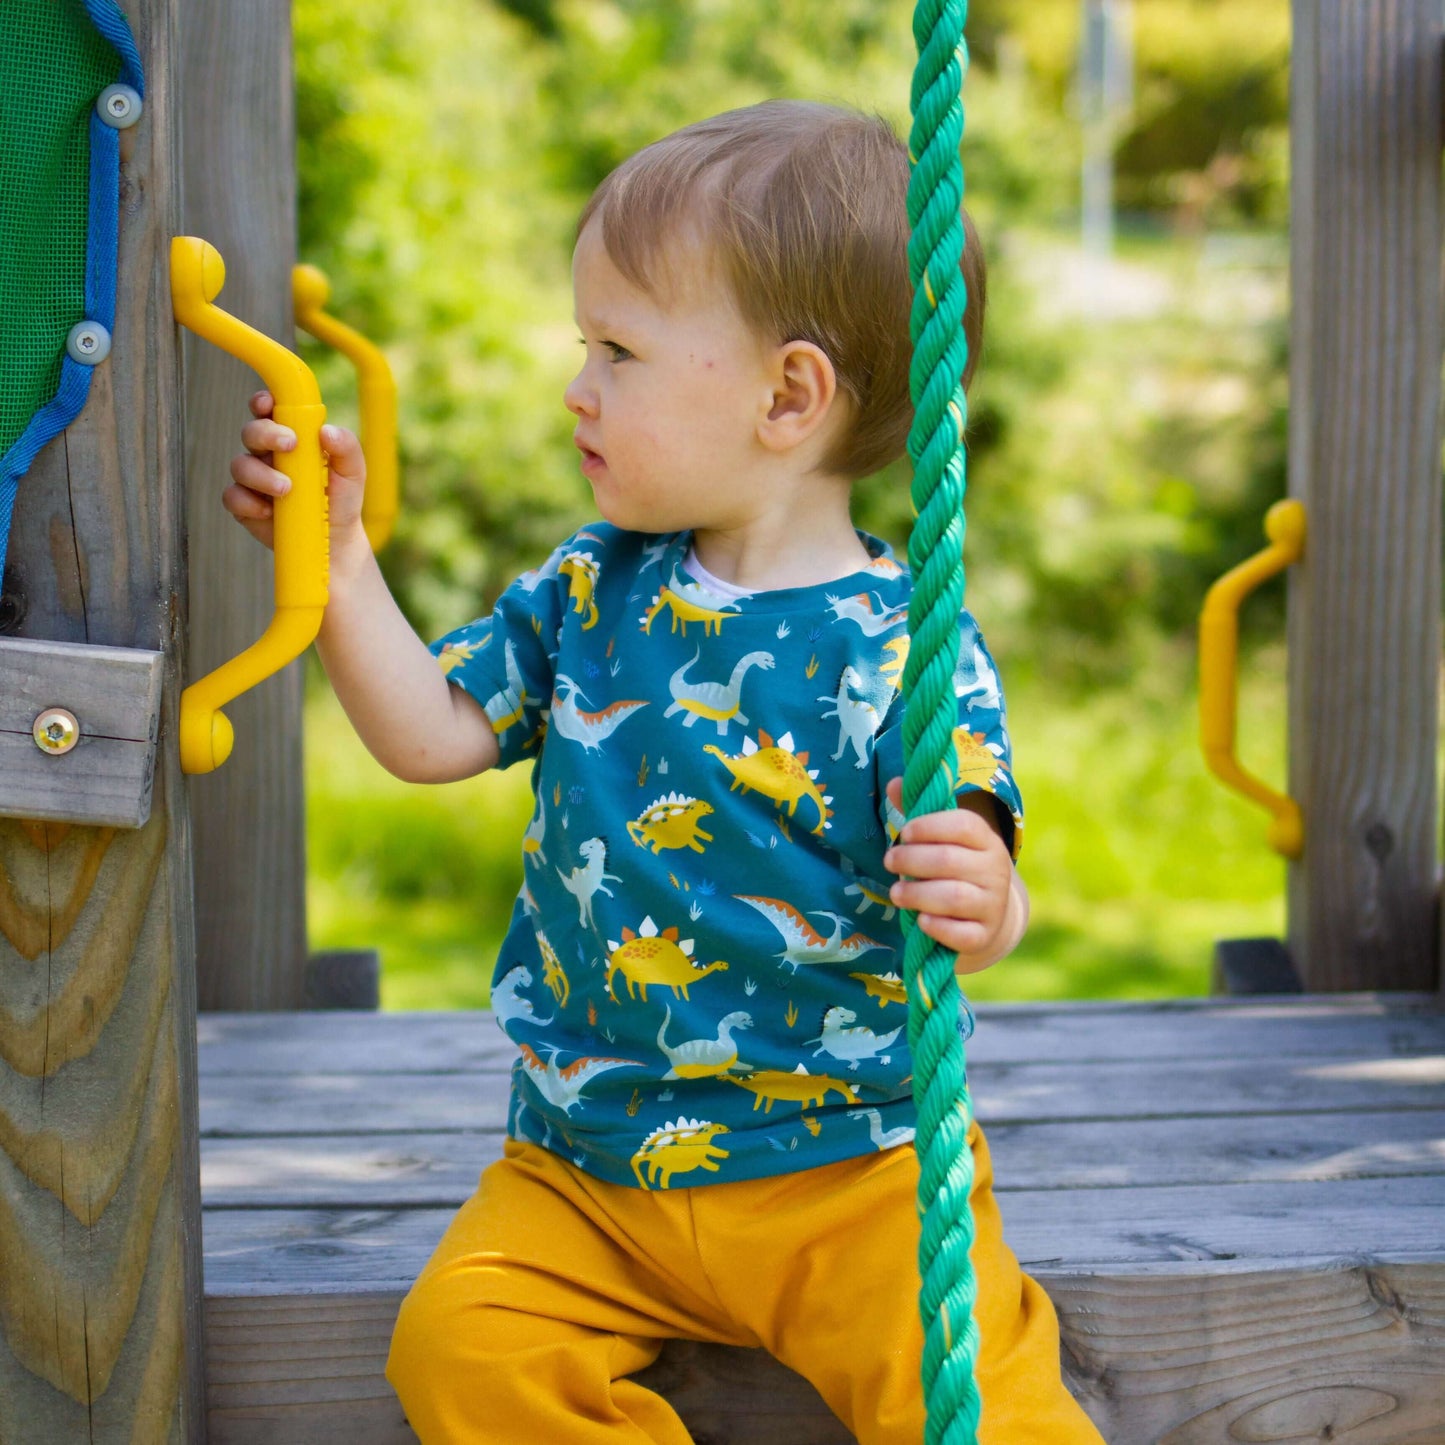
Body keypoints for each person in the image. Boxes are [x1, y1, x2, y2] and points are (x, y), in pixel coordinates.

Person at [228, 99, 1103, 1445]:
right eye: (588, 342)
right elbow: (428, 735)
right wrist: (339, 563)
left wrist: (987, 896)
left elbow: (975, 860)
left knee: (980, 1402)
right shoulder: (589, 586)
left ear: (787, 395)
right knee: (459, 1349)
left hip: (845, 1176)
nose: (577, 385)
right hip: (584, 1170)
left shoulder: (901, 645)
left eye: (618, 349)